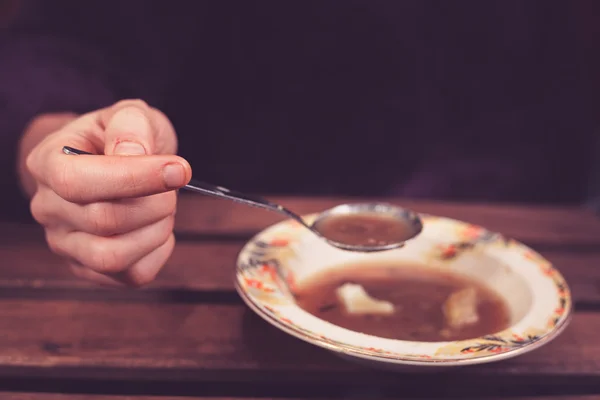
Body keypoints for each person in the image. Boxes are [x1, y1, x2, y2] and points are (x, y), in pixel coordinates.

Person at [0, 0, 596, 286]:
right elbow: (59, 43)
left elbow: (558, 106)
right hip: (206, 261)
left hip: (520, 234)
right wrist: (59, 145)